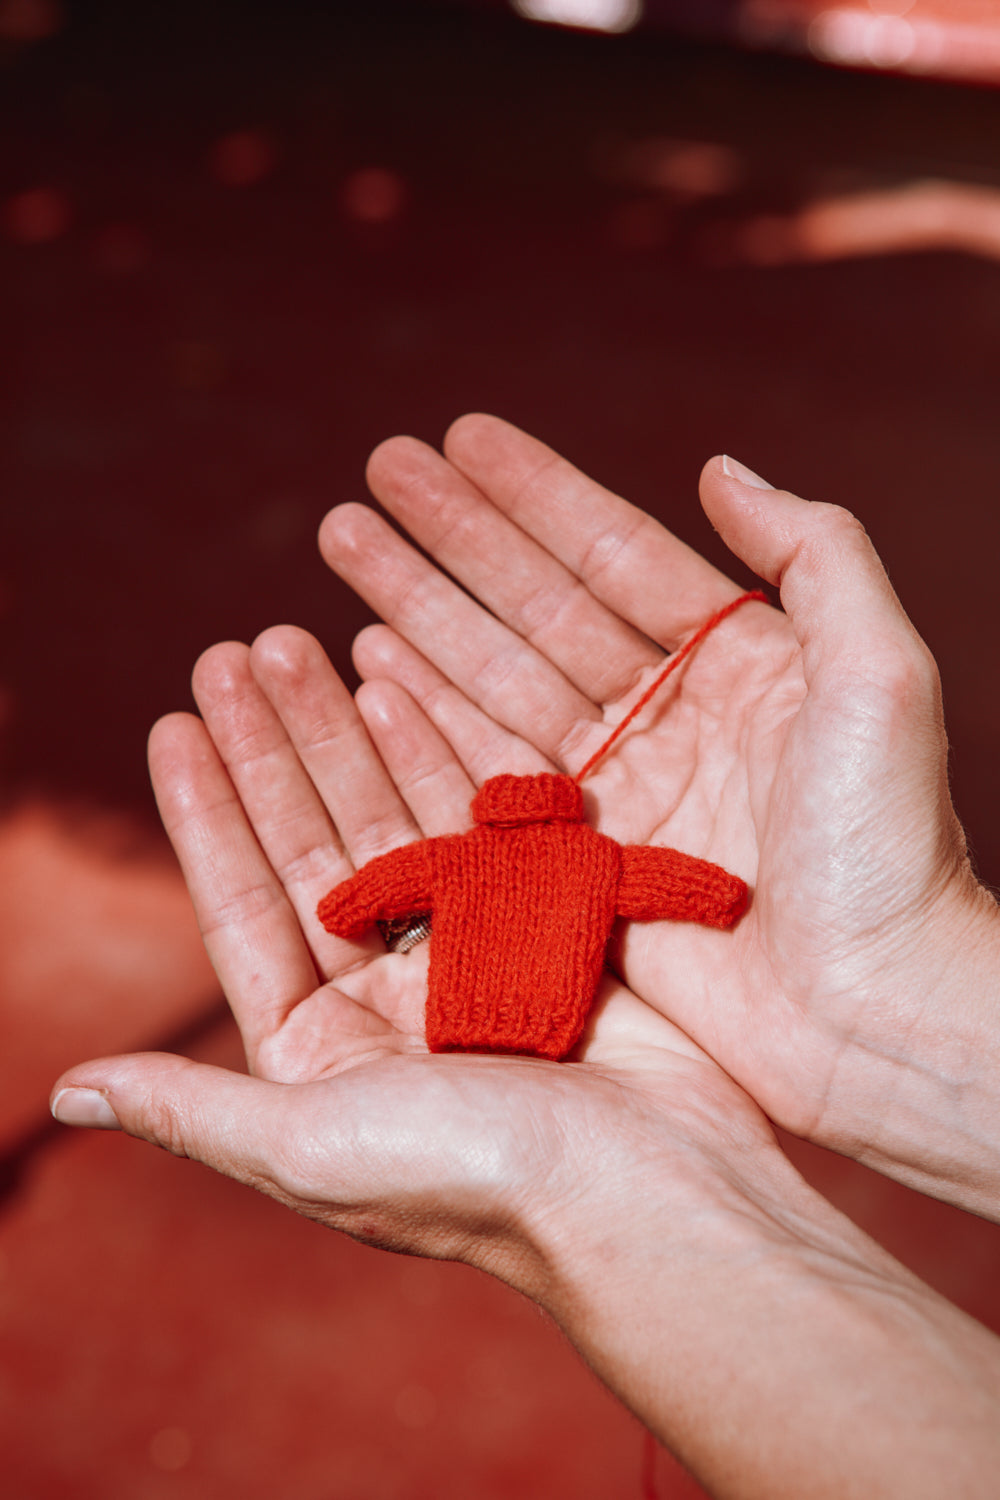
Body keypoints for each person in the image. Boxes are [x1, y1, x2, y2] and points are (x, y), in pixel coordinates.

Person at [51, 416, 1000, 1496]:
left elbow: (371, 893)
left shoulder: (458, 857)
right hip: (547, 1024)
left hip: (468, 1021)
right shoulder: (596, 860)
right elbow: (680, 886)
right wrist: (853, 947)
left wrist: (354, 907)